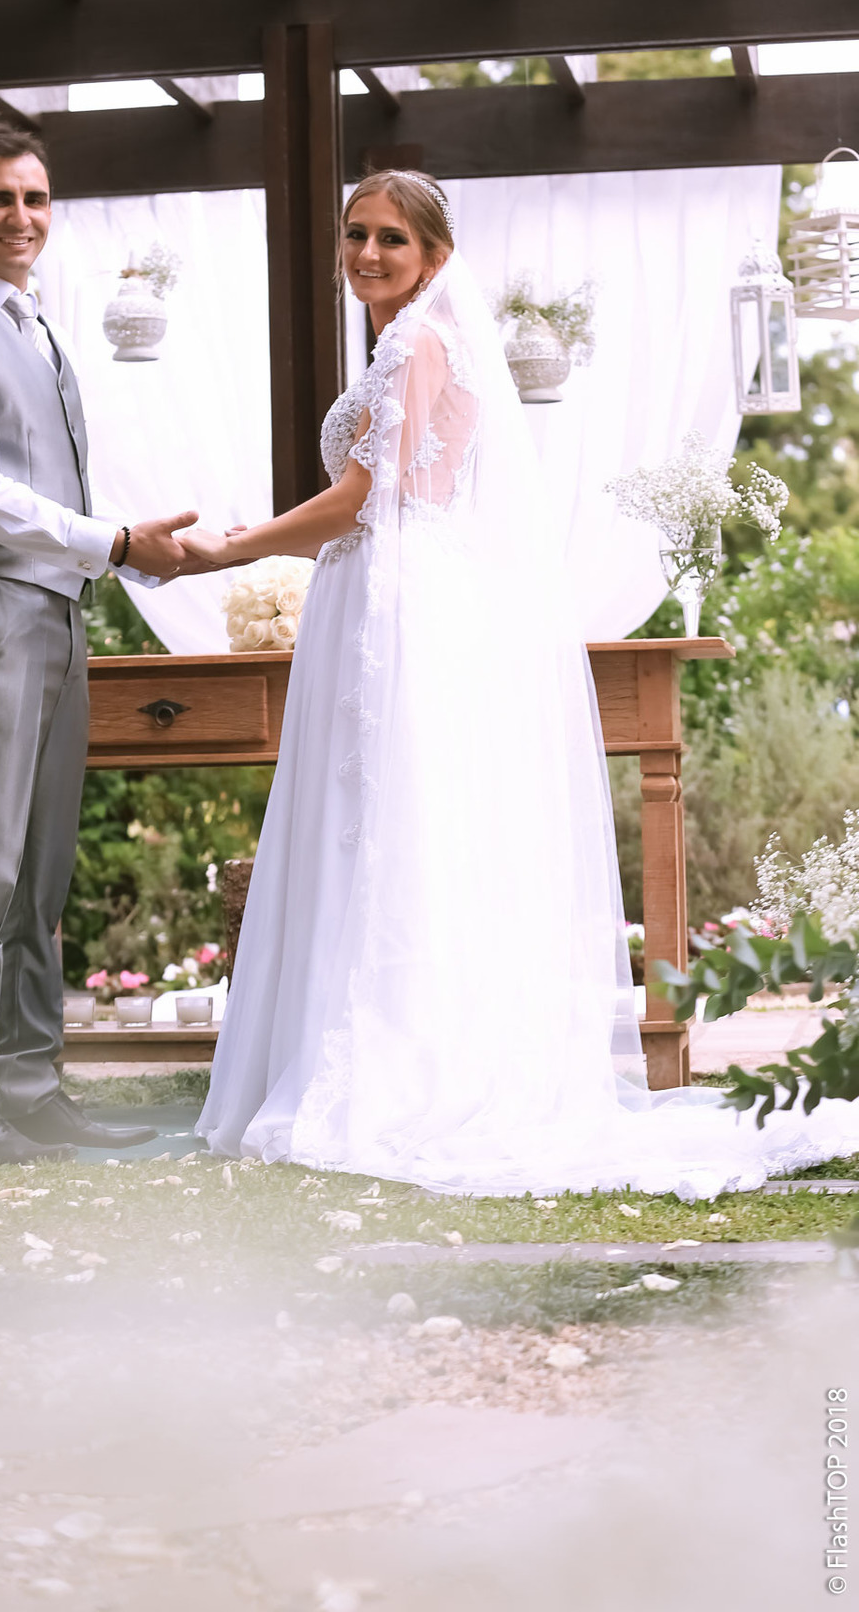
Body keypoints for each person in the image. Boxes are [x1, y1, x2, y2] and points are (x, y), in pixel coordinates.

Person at [184, 169, 859, 1199]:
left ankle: (393, 1071)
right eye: (356, 234)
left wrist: (239, 545)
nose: (367, 254)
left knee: (388, 822)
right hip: (401, 597)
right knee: (403, 824)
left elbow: (370, 495)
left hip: (395, 602)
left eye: (391, 241)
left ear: (436, 256)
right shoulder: (415, 339)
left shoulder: (414, 342)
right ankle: (397, 1051)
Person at [0, 122, 195, 1164]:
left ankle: (26, 1087)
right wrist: (110, 542)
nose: (21, 218)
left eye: (36, 199)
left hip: (55, 612)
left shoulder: (43, 330)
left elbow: (47, 484)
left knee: (39, 875)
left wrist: (123, 553)